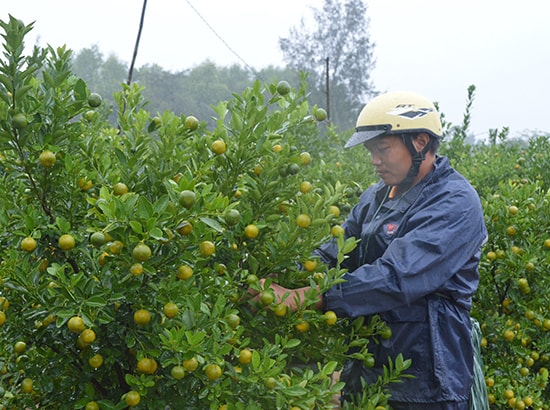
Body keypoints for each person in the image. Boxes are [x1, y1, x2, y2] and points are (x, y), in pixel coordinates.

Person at [258, 91, 488, 409]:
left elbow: (398, 276)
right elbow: (334, 254)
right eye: (371, 150)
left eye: (382, 148)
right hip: (365, 366)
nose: (374, 160)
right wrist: (285, 272)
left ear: (420, 142)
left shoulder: (454, 202)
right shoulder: (376, 197)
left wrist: (307, 297)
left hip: (426, 378)